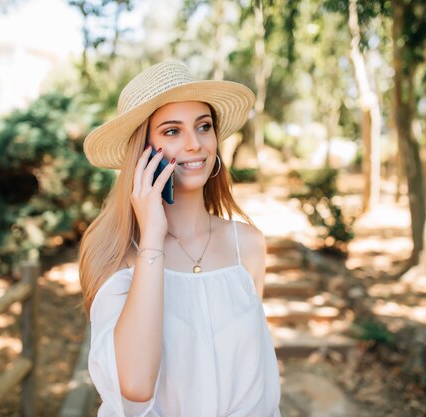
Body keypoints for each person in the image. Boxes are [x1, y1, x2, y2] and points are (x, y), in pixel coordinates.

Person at [79, 61, 281, 417]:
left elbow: (254, 377)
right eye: (172, 131)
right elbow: (136, 387)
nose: (194, 145)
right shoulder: (113, 256)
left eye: (203, 127)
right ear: (141, 152)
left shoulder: (248, 245)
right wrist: (153, 240)